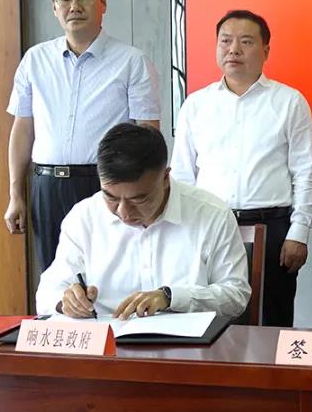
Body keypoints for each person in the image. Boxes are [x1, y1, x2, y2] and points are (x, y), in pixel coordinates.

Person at [5, 0, 160, 272]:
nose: (74, 6)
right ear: (54, 7)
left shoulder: (131, 61)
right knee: (55, 278)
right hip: (46, 187)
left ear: (103, 2)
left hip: (105, 187)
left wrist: (144, 197)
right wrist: (15, 193)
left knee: (108, 277)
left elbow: (148, 134)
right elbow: (23, 128)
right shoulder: (35, 60)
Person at [171, 9, 312, 327]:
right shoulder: (195, 105)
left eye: (246, 42)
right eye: (225, 41)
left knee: (272, 321)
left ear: (266, 50)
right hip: (210, 227)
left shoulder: (289, 102)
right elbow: (181, 176)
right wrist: (183, 234)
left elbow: (305, 174)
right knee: (209, 323)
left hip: (271, 228)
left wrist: (299, 233)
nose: (233, 50)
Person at [36, 123, 249, 318]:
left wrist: (171, 297)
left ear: (165, 178)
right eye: (110, 197)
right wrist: (65, 302)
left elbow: (236, 296)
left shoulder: (211, 215)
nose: (124, 212)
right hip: (108, 342)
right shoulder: (84, 217)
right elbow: (46, 292)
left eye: (138, 199)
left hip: (188, 343)